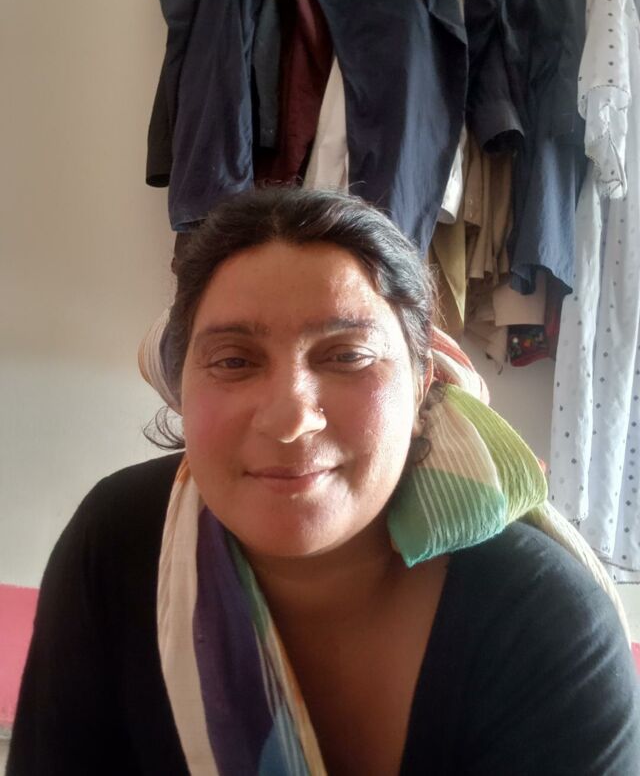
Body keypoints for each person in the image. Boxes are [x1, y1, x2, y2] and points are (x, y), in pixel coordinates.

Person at [8, 188, 640, 775]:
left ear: (421, 385)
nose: (290, 419)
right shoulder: (119, 541)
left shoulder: (543, 620)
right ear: (183, 388)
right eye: (234, 360)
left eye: (347, 356)